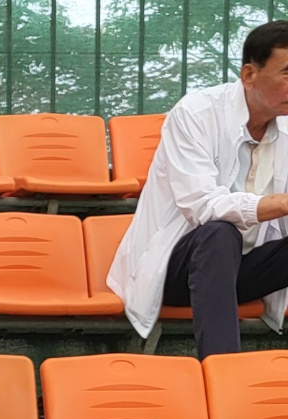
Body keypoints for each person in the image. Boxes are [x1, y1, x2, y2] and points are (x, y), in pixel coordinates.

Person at [109, 20, 288, 358]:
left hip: (244, 271)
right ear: (249, 74)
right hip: (178, 269)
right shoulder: (197, 113)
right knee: (219, 232)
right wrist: (279, 203)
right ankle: (224, 369)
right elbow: (202, 206)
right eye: (287, 73)